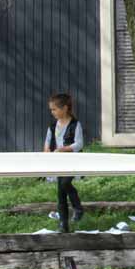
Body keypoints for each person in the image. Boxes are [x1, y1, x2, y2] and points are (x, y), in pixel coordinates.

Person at [43, 92, 85, 234]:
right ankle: (63, 224)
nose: (52, 112)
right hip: (58, 162)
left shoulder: (75, 125)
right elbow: (47, 142)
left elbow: (79, 144)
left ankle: (77, 207)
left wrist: (64, 149)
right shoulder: (52, 126)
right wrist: (47, 151)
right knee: (60, 193)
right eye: (51, 110)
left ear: (65, 108)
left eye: (54, 109)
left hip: (72, 161)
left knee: (65, 184)